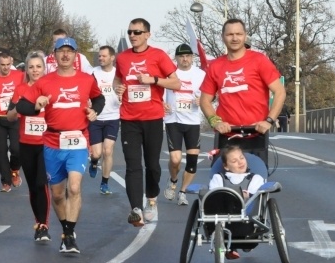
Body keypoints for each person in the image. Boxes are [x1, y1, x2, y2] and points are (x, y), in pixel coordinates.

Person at [16, 37, 104, 255]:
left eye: (69, 51)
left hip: (77, 141)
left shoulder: (86, 79)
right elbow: (22, 105)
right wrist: (37, 105)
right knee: (56, 194)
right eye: (61, 51)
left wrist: (96, 111)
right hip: (52, 142)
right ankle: (66, 230)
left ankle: (69, 234)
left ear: (76, 55)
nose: (65, 55)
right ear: (54, 55)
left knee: (74, 187)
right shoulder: (44, 82)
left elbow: (99, 98)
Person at [113, 18, 181, 227]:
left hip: (152, 118)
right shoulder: (122, 58)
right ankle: (136, 209)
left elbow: (176, 82)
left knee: (152, 165)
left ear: (147, 34)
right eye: (130, 32)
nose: (132, 36)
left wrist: (154, 80)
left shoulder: (158, 55)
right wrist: (118, 88)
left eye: (137, 32)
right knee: (133, 165)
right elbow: (117, 79)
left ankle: (151, 199)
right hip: (129, 119)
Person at [199, 18, 286, 165]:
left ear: (245, 36)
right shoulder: (215, 66)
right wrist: (216, 122)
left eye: (239, 34)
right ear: (223, 37)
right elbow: (204, 100)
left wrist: (268, 121)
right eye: (230, 34)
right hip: (227, 135)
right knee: (223, 184)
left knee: (256, 182)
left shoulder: (259, 60)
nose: (234, 38)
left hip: (256, 134)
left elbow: (280, 92)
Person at [7, 52, 51, 242]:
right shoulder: (21, 89)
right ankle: (38, 221)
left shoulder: (52, 87)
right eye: (31, 67)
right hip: (26, 143)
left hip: (46, 143)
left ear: (44, 68)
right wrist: (17, 109)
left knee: (42, 183)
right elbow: (9, 116)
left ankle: (44, 225)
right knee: (33, 186)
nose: (35, 70)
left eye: (38, 66)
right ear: (26, 69)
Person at [162, 43, 206, 206]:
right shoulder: (169, 73)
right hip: (173, 119)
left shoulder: (200, 74)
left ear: (192, 57)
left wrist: (202, 100)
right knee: (175, 159)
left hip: (192, 120)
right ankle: (173, 180)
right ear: (177, 58)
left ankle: (182, 191)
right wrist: (162, 103)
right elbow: (159, 91)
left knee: (192, 161)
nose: (185, 59)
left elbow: (210, 94)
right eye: (181, 56)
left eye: (188, 56)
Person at [208, 144, 265, 259]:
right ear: (226, 166)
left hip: (248, 221)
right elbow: (213, 196)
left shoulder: (255, 178)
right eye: (234, 161)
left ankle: (241, 244)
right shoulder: (219, 178)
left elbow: (258, 198)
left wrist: (248, 195)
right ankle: (225, 247)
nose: (240, 162)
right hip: (222, 218)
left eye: (242, 158)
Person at [0, 49, 25, 192]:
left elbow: (28, 90)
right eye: (2, 65)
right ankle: (6, 181)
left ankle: (15, 170)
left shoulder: (20, 76)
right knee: (1, 151)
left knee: (16, 149)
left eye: (8, 64)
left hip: (15, 117)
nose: (5, 68)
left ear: (12, 63)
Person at [89, 45, 120, 195]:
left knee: (108, 150)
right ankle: (94, 162)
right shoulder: (93, 73)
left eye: (104, 56)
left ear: (112, 58)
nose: (100, 58)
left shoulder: (118, 74)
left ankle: (105, 182)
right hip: (96, 117)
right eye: (99, 56)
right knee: (97, 153)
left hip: (113, 117)